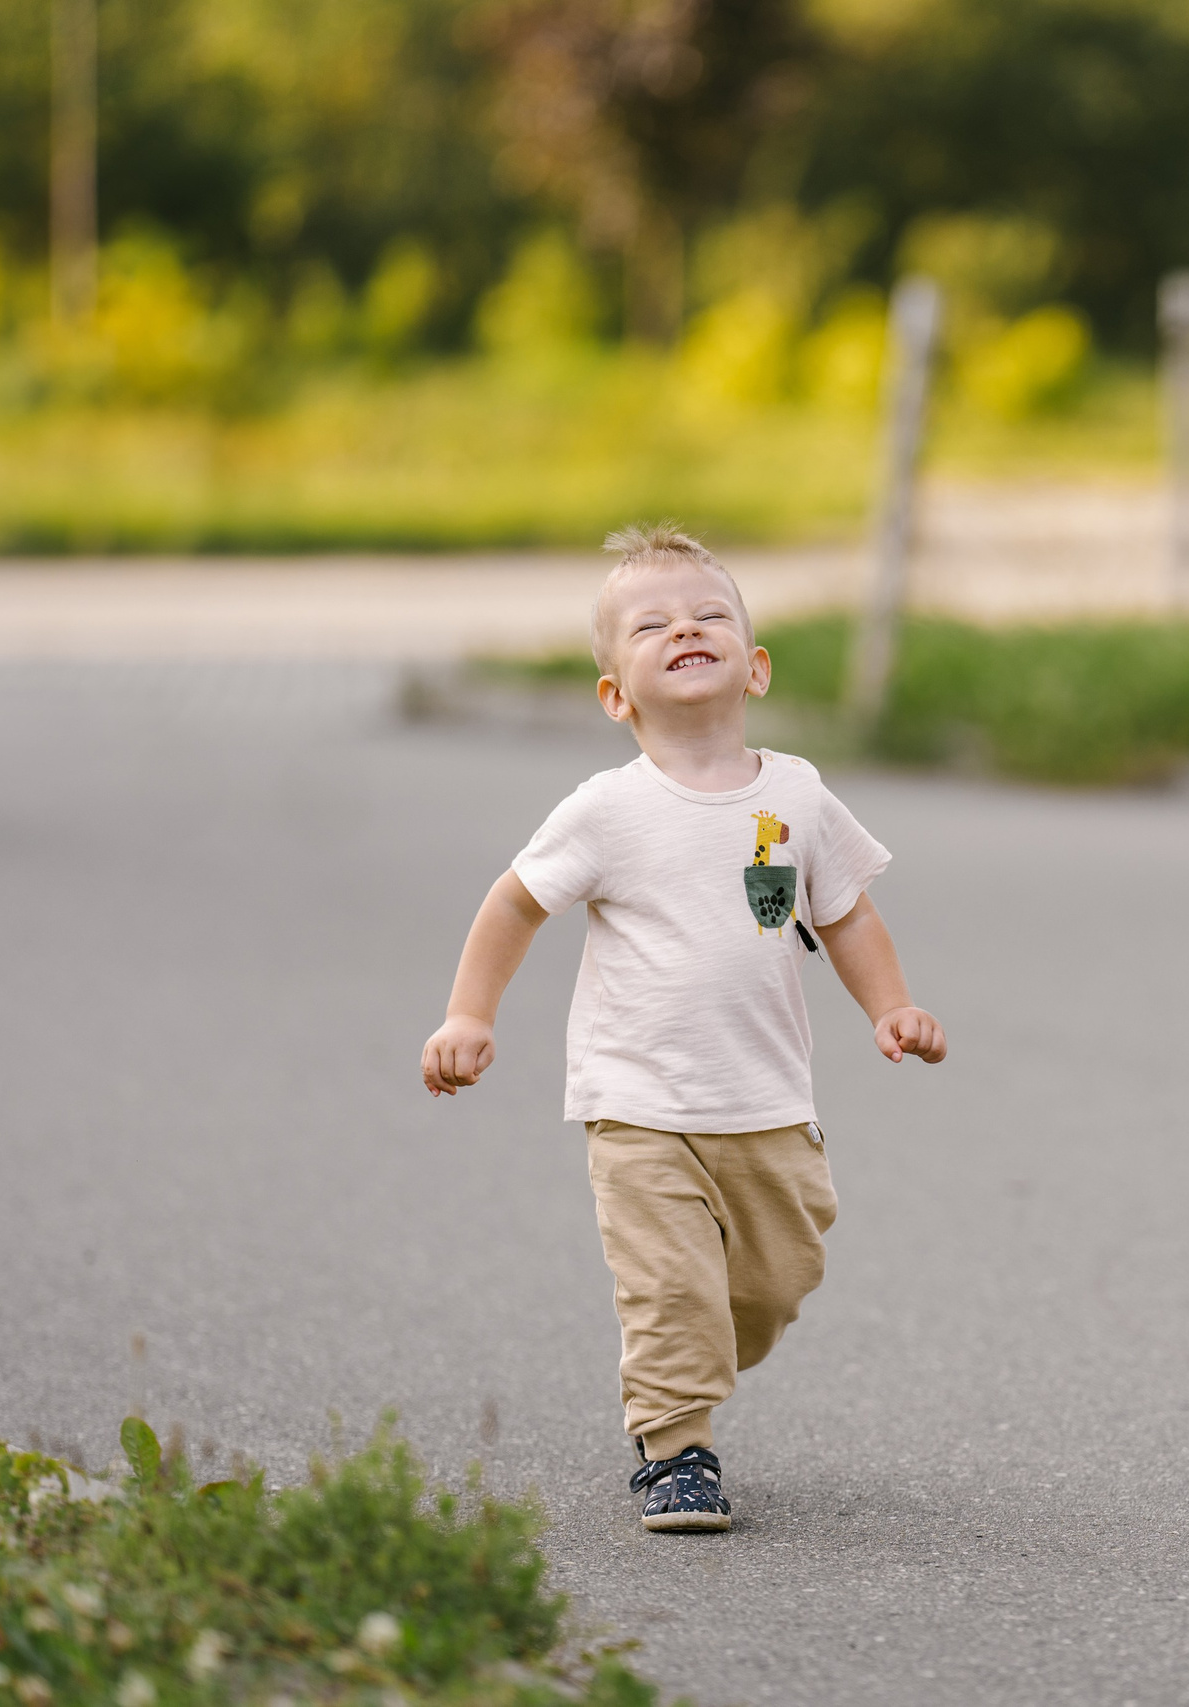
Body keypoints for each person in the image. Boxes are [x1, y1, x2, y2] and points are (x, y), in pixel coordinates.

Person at [419, 523, 947, 1533]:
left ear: (753, 666)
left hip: (768, 1102)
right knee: (672, 1292)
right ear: (617, 694)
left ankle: (690, 1363)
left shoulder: (796, 794)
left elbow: (845, 912)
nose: (684, 629)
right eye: (651, 624)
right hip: (638, 1105)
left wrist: (892, 1007)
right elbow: (513, 904)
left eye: (708, 615)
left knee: (775, 1282)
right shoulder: (606, 810)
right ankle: (675, 1448)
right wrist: (467, 1016)